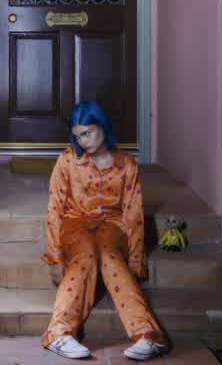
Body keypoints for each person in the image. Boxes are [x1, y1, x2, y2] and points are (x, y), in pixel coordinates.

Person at [41, 101, 166, 361]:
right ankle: (59, 334)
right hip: (75, 223)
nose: (83, 141)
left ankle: (147, 335)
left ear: (102, 126)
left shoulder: (127, 164)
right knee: (85, 255)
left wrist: (135, 258)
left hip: (112, 224)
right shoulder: (67, 160)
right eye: (78, 136)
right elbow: (55, 209)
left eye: (87, 133)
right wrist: (54, 255)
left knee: (109, 256)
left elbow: (133, 213)